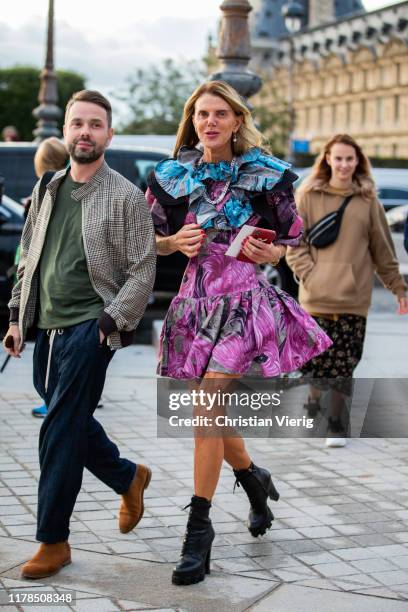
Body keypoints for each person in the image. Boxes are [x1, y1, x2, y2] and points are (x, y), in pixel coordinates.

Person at [146, 80, 332, 586]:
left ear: (235, 121)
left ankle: (198, 531)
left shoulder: (266, 176)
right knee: (209, 409)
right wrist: (173, 241)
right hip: (193, 302)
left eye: (220, 114)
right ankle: (252, 478)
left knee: (205, 406)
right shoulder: (171, 175)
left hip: (243, 301)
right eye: (202, 114)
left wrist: (270, 253)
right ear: (193, 120)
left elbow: (291, 239)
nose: (210, 122)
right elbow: (148, 239)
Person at [3, 90, 156, 579]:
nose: (85, 132)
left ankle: (53, 541)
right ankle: (127, 476)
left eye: (95, 124)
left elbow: (143, 267)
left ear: (109, 134)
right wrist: (14, 317)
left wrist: (111, 321)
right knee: (63, 414)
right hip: (45, 325)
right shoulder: (48, 188)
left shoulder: (125, 195)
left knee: (60, 429)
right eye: (77, 124)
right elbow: (28, 255)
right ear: (64, 132)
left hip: (92, 326)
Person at [286, 133, 408, 448]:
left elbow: (383, 251)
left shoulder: (368, 201)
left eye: (349, 159)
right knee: (317, 361)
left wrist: (399, 289)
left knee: (345, 361)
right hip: (316, 297)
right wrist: (310, 274)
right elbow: (294, 245)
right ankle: (314, 398)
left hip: (354, 298)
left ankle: (336, 423)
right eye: (338, 158)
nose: (343, 164)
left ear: (357, 162)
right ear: (327, 159)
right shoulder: (307, 195)